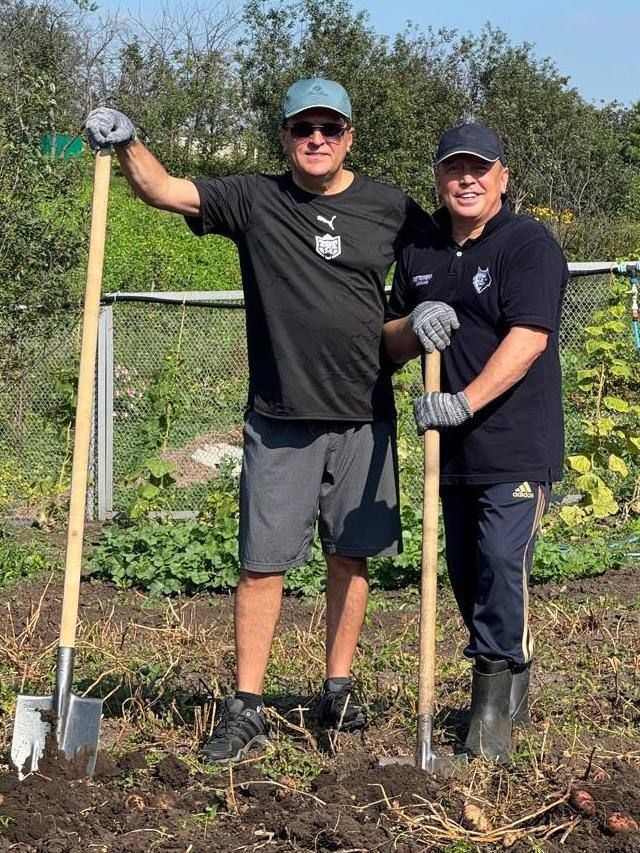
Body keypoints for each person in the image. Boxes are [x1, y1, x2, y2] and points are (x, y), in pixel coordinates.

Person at [84, 79, 456, 763]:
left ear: (349, 136)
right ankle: (247, 706)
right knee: (262, 564)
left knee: (351, 555)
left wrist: (435, 312)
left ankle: (336, 689)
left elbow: (448, 257)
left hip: (363, 416)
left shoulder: (390, 209)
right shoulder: (255, 199)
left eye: (329, 128)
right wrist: (128, 139)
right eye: (302, 128)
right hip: (280, 418)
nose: (316, 139)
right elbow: (165, 190)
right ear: (284, 136)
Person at [384, 123, 568, 762]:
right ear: (438, 178)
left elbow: (529, 340)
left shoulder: (528, 244)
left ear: (502, 178)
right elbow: (388, 341)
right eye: (454, 169)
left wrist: (463, 401)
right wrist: (412, 325)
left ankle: (489, 722)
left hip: (515, 442)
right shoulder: (422, 249)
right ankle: (509, 676)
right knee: (467, 574)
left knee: (497, 558)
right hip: (451, 452)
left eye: (479, 169)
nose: (467, 179)